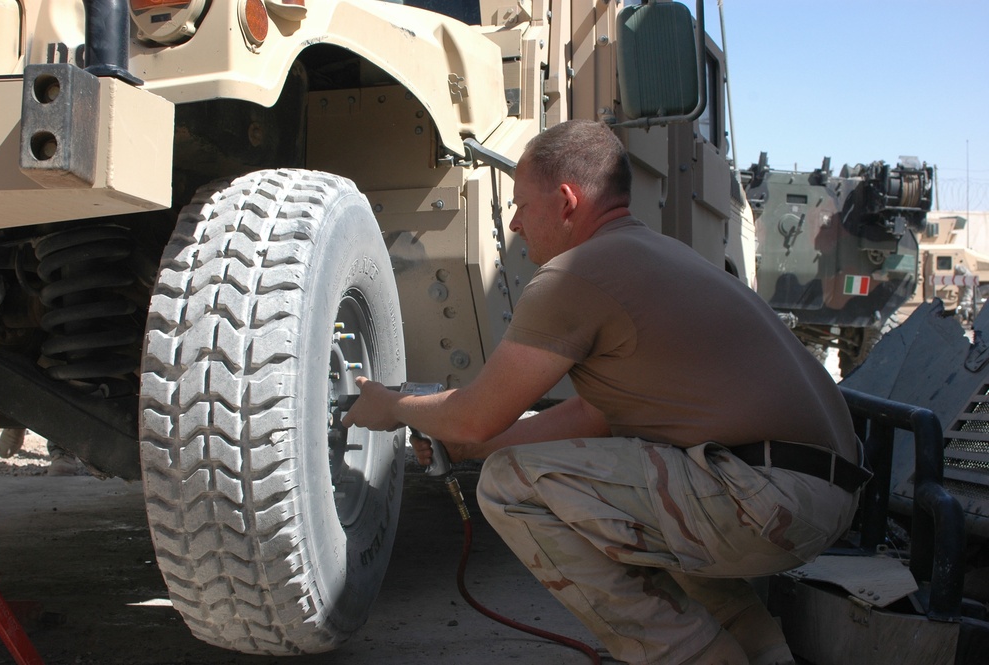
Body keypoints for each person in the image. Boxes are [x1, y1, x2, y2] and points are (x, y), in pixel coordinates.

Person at [342, 120, 870, 665]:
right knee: (625, 493)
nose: (517, 223)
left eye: (522, 204)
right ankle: (765, 651)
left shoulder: (574, 274)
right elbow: (593, 416)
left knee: (509, 486)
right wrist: (471, 448)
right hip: (822, 495)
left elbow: (474, 415)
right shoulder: (661, 255)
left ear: (567, 201)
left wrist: (393, 406)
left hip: (765, 497)